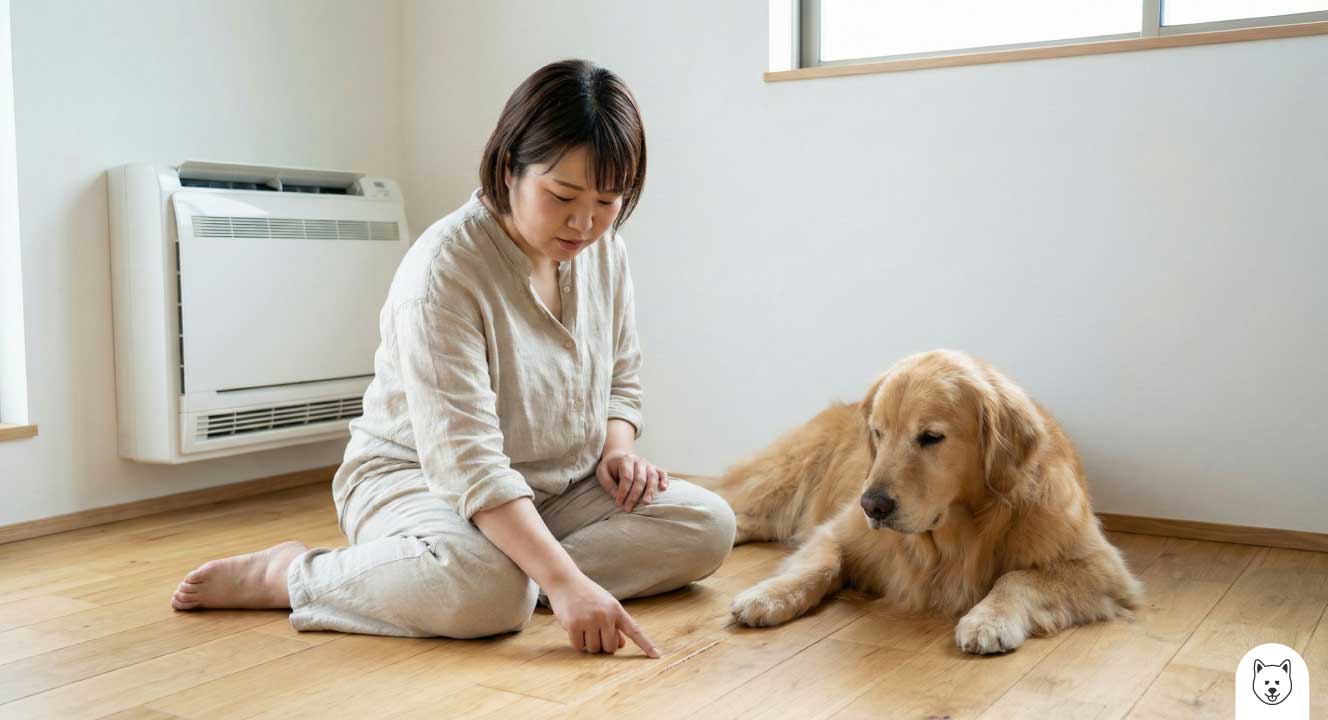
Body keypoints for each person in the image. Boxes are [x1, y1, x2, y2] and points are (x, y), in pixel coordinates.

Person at [169, 59, 737, 658]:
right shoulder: (444, 271)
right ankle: (292, 576)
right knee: (486, 595)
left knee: (709, 525)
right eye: (562, 195)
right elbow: (468, 464)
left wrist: (619, 451)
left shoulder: (605, 250)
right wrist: (565, 581)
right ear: (510, 165)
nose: (584, 221)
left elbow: (623, 373)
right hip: (420, 479)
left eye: (607, 201)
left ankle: (523, 574)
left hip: (559, 485)